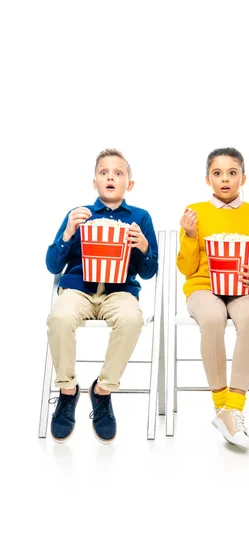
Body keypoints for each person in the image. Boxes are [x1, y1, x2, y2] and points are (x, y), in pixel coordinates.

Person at [46, 148, 158, 444]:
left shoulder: (139, 218)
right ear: (94, 181)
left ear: (129, 184)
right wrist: (69, 232)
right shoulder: (79, 214)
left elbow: (149, 271)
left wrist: (144, 246)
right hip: (78, 287)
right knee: (59, 317)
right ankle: (68, 391)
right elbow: (52, 265)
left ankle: (103, 391)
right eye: (104, 172)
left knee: (133, 319)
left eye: (118, 173)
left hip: (119, 291)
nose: (111, 177)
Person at [177, 147, 249, 450]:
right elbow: (186, 268)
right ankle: (222, 406)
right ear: (208, 179)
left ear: (243, 177)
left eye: (232, 173)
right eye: (217, 173)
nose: (225, 179)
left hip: (243, 288)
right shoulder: (195, 211)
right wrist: (191, 237)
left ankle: (234, 406)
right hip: (203, 286)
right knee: (212, 317)